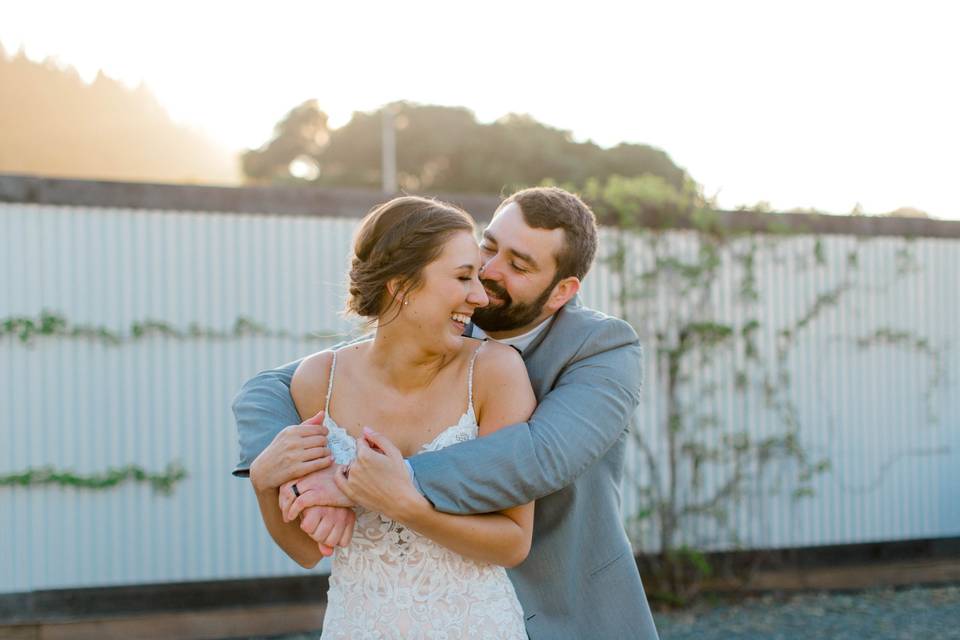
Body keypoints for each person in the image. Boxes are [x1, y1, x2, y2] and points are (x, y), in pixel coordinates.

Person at [235, 187, 661, 639]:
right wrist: (291, 471)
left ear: (561, 291)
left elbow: (540, 456)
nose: (490, 273)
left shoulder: (603, 348)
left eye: (517, 265)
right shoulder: (443, 320)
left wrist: (362, 481)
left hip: (565, 610)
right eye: (489, 248)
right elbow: (270, 386)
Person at [247, 195, 534, 638]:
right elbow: (307, 551)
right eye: (462, 276)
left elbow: (514, 542)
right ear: (400, 285)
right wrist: (264, 483)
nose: (479, 296)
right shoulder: (318, 381)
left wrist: (406, 505)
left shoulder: (495, 372)